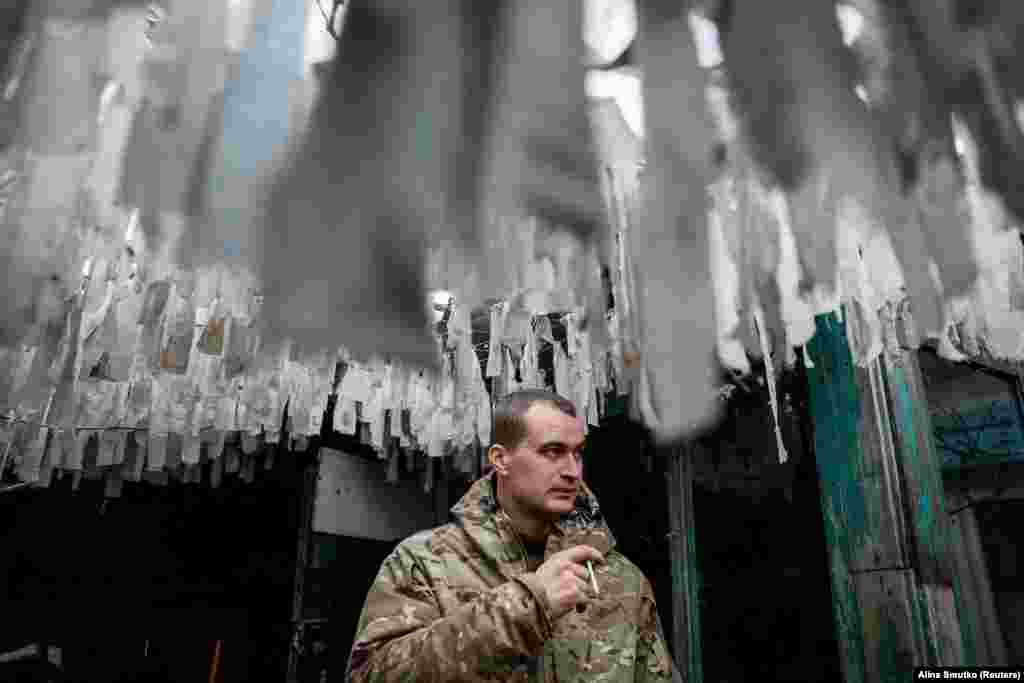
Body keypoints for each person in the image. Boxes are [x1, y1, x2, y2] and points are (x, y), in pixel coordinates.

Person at [345, 389, 677, 682]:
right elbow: (371, 675)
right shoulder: (424, 563)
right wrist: (525, 607)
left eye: (577, 454)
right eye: (552, 451)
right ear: (500, 460)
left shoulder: (621, 579)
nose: (572, 472)